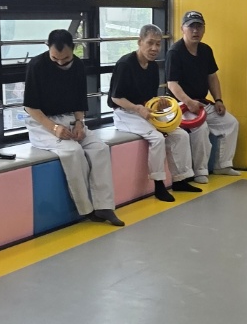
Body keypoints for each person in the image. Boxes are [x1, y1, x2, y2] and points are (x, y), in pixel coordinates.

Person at [23, 29, 124, 227]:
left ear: (73, 49)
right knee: (73, 151)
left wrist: (79, 123)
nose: (61, 62)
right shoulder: (37, 65)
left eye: (66, 58)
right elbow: (31, 107)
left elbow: (79, 101)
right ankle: (86, 208)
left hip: (69, 118)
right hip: (42, 124)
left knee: (100, 148)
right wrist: (54, 128)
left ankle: (104, 206)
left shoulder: (77, 65)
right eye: (55, 58)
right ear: (48, 48)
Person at [109, 25, 201, 203]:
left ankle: (180, 180)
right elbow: (116, 98)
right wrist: (138, 108)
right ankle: (159, 185)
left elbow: (149, 98)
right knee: (157, 138)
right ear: (140, 42)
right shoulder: (125, 64)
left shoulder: (152, 67)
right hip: (124, 113)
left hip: (144, 110)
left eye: (158, 44)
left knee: (181, 134)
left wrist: (160, 103)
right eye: (150, 43)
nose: (154, 48)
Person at [165, 10, 240, 181]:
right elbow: (172, 84)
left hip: (201, 103)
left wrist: (218, 100)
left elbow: (212, 76)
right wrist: (188, 102)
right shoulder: (175, 52)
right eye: (191, 27)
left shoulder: (205, 50)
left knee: (230, 123)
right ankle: (200, 171)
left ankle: (223, 165)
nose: (195, 31)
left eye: (199, 27)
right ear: (182, 29)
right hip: (181, 105)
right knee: (201, 127)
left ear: (204, 29)